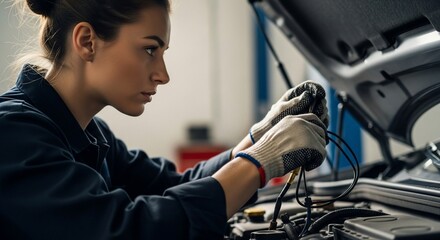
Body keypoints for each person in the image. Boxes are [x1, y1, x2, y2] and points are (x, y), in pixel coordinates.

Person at [0, 0, 329, 239]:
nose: (163, 75)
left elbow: (172, 187)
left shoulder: (90, 133)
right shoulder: (11, 132)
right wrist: (258, 164)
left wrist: (257, 141)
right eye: (149, 50)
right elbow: (128, 231)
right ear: (87, 42)